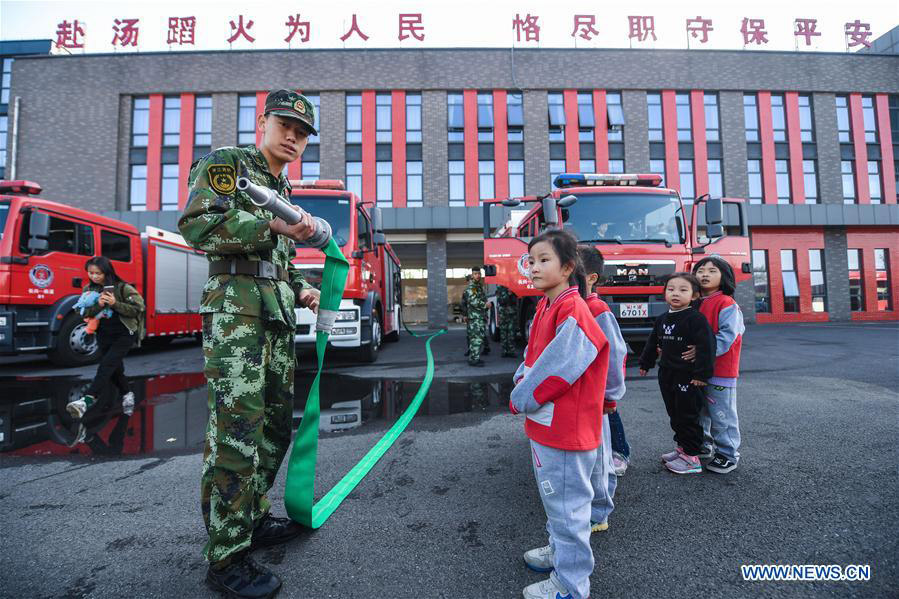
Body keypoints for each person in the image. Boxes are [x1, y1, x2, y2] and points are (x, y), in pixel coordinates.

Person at [178, 89, 322, 599]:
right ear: (263, 122)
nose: (293, 138)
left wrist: (299, 284)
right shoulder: (228, 164)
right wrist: (271, 223)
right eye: (285, 125)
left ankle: (253, 518)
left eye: (303, 133)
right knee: (237, 430)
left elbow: (277, 256)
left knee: (275, 426)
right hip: (236, 314)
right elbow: (198, 224)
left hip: (274, 314)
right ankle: (226, 555)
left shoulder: (280, 184)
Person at [510, 229, 609, 599]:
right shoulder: (547, 305)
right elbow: (532, 361)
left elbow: (557, 368)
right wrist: (524, 389)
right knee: (557, 502)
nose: (534, 268)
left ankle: (570, 585)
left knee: (569, 508)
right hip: (546, 423)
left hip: (565, 428)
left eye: (544, 260)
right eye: (531, 260)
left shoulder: (573, 308)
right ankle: (559, 553)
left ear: (568, 267)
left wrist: (520, 397)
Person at [638, 273, 715, 475]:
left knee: (687, 415)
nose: (675, 293)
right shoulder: (663, 318)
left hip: (688, 376)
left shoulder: (696, 319)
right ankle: (681, 449)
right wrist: (645, 362)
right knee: (674, 413)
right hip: (667, 374)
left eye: (683, 290)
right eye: (671, 289)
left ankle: (691, 458)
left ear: (694, 295)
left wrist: (701, 374)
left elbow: (707, 347)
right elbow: (653, 342)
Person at [577, 245, 627, 532]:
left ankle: (600, 511)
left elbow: (614, 355)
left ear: (592, 278)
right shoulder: (570, 305)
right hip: (577, 400)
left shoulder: (597, 310)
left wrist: (610, 395)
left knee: (599, 455)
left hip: (596, 399)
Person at [66, 256, 144, 419]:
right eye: (91, 273)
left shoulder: (123, 288)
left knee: (106, 365)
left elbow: (138, 308)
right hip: (103, 333)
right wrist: (98, 305)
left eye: (98, 273)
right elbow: (84, 313)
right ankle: (127, 393)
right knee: (115, 368)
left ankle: (86, 400)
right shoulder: (88, 289)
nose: (94, 276)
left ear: (107, 272)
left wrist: (115, 303)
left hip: (125, 333)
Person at [693, 256, 744, 474]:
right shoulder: (695, 303)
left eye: (712, 271)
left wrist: (701, 353)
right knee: (700, 411)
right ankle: (703, 445)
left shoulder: (726, 304)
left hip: (720, 371)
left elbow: (727, 337)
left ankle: (727, 454)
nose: (705, 274)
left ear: (724, 277)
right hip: (697, 370)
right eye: (700, 270)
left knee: (721, 414)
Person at [461, 267, 488, 366]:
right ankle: (474, 360)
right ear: (472, 275)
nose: (478, 276)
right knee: (476, 338)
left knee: (477, 338)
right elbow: (473, 301)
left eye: (479, 274)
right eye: (475, 274)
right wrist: (485, 305)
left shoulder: (478, 286)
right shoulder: (472, 287)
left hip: (479, 316)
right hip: (475, 317)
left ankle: (474, 357)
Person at [495, 284, 518, 358]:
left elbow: (516, 300)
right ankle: (504, 351)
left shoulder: (513, 288)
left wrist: (512, 294)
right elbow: (501, 301)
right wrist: (508, 294)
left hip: (512, 313)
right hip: (503, 314)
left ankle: (511, 351)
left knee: (511, 332)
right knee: (503, 332)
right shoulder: (500, 288)